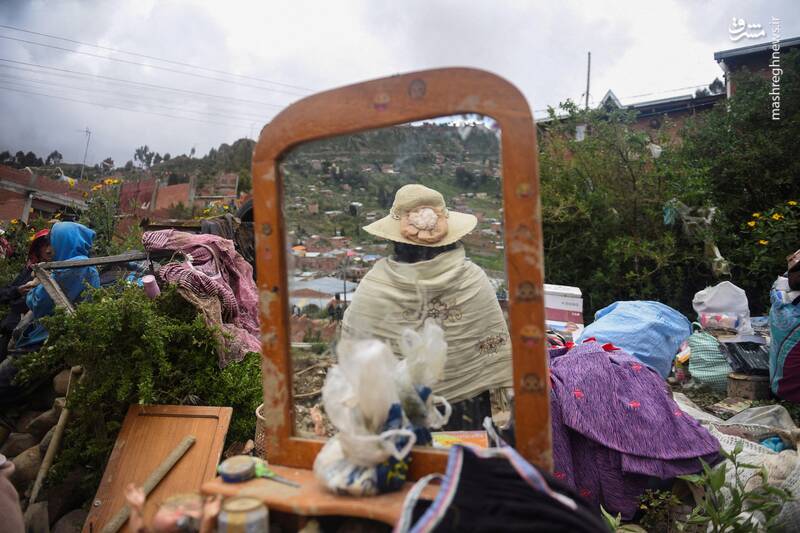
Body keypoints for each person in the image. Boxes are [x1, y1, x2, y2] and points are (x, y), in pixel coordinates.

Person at [341, 184, 512, 430]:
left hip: (394, 419)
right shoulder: (473, 279)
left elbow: (353, 356)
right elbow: (492, 354)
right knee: (460, 467)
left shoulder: (374, 286)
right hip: (466, 415)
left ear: (395, 239)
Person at [15, 222, 100, 351]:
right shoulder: (89, 266)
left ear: (64, 241)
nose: (50, 250)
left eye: (52, 242)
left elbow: (39, 303)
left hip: (49, 337)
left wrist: (32, 293)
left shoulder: (69, 269)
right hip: (74, 333)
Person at [0, 228, 51, 362]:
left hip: (28, 336)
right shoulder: (30, 270)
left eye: (51, 245)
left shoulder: (57, 273)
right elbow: (5, 292)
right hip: (9, 328)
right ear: (38, 249)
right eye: (44, 246)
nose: (48, 250)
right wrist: (17, 290)